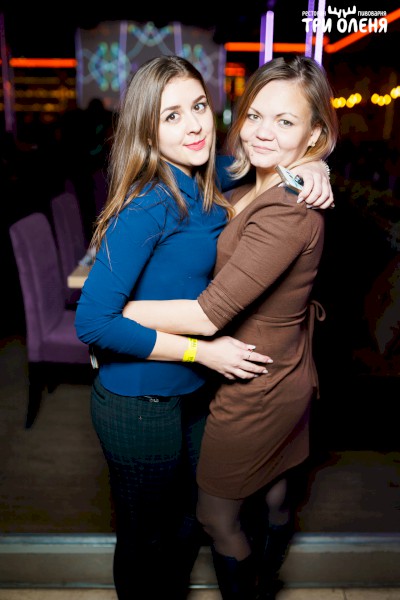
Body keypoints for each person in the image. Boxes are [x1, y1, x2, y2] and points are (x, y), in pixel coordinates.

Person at [75, 55, 334, 600]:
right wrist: (200, 352)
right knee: (146, 539)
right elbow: (94, 322)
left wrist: (315, 167)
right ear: (147, 129)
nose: (194, 125)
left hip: (194, 393)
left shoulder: (210, 180)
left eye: (198, 106)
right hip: (140, 400)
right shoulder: (149, 204)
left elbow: (270, 164)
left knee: (187, 526)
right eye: (170, 116)